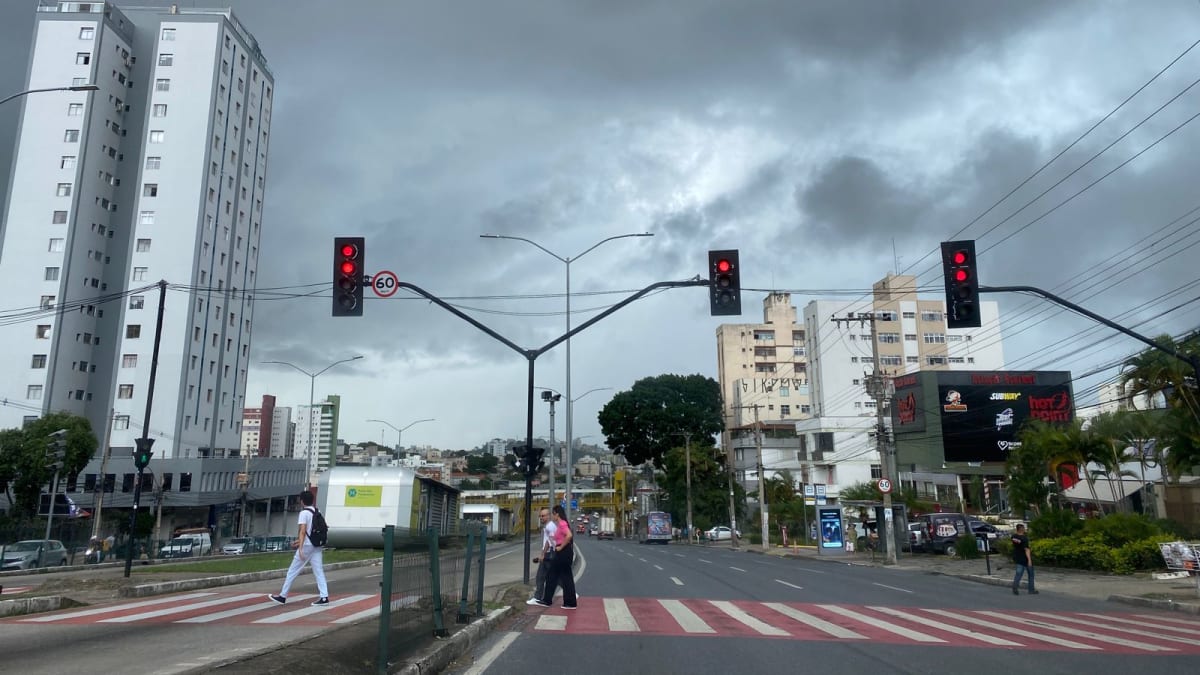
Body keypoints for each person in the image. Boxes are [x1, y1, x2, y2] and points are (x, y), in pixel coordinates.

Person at [268, 490, 329, 606]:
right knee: (319, 571)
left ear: (302, 501)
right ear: (312, 500)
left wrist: (300, 548)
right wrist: (298, 542)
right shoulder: (317, 511)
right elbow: (312, 531)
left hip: (306, 546)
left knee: (292, 571)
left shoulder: (304, 513)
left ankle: (282, 596)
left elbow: (303, 531)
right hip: (316, 545)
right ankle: (324, 597)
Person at [535, 505, 577, 609]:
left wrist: (561, 546)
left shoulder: (562, 523)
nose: (552, 516)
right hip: (561, 552)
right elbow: (559, 537)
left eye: (553, 514)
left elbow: (569, 535)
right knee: (552, 576)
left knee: (566, 578)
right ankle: (547, 600)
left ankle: (570, 603)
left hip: (563, 552)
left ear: (557, 514)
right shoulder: (560, 524)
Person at [527, 507, 556, 605]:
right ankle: (537, 597)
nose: (541, 518)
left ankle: (537, 597)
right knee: (541, 577)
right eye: (540, 516)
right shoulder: (548, 526)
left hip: (549, 554)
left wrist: (543, 554)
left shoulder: (550, 527)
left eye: (543, 516)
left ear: (549, 516)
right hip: (548, 553)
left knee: (547, 577)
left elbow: (549, 541)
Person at [1010, 523, 1038, 595]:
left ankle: (1015, 587)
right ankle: (1031, 590)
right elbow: (1027, 550)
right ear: (1022, 529)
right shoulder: (1024, 538)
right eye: (1024, 528)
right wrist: (1029, 560)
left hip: (1018, 558)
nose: (1025, 529)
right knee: (1031, 575)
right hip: (1025, 558)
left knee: (1018, 574)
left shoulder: (1013, 537)